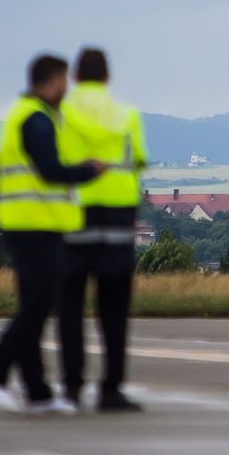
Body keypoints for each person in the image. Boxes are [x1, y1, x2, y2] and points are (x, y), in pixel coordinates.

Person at [0, 54, 103, 414]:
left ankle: (37, 391)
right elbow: (49, 171)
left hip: (25, 223)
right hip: (36, 225)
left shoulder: (24, 114)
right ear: (53, 80)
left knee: (33, 304)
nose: (67, 88)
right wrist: (87, 171)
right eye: (64, 81)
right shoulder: (37, 119)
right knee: (38, 305)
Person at [58, 46, 148, 411]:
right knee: (114, 310)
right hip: (117, 221)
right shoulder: (127, 115)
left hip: (73, 217)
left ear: (75, 75)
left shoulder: (60, 114)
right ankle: (111, 388)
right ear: (108, 76)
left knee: (70, 308)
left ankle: (72, 387)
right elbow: (138, 160)